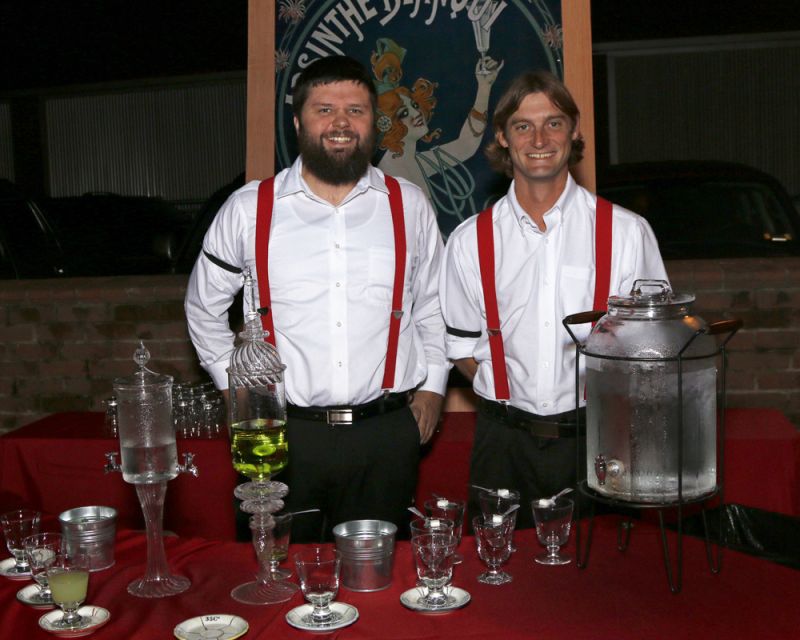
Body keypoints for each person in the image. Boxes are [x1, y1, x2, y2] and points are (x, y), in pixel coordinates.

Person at [185, 55, 448, 542]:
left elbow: (431, 304)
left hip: (385, 431)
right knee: (277, 578)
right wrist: (234, 388)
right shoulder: (249, 209)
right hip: (284, 434)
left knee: (380, 587)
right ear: (298, 121)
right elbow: (203, 308)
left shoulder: (408, 205)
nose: (341, 123)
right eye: (324, 109)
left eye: (356, 110)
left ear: (375, 121)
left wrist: (433, 386)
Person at [439, 70, 668, 528]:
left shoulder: (626, 232)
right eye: (523, 125)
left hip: (600, 439)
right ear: (503, 137)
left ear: (575, 130)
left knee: (601, 586)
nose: (539, 138)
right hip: (502, 444)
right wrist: (509, 385)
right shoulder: (469, 241)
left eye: (554, 123)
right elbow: (462, 347)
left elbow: (655, 351)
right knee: (497, 582)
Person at [371, 38, 503, 224]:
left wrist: (484, 86)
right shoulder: (385, 175)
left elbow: (465, 146)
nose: (416, 113)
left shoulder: (415, 160)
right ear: (387, 124)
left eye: (414, 105)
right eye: (404, 112)